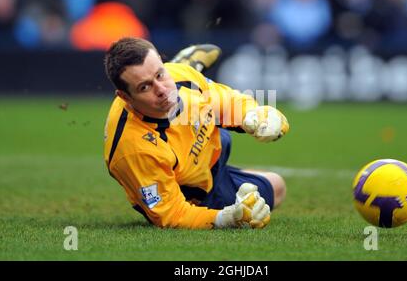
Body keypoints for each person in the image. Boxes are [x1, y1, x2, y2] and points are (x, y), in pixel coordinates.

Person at [103, 37, 289, 229]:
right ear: (125, 97)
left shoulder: (179, 76)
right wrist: (226, 219)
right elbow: (172, 214)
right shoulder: (134, 150)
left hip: (208, 151)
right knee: (277, 186)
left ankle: (185, 64)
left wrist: (256, 115)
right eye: (145, 87)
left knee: (220, 132)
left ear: (162, 62)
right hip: (191, 191)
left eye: (160, 75)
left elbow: (226, 102)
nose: (162, 90)